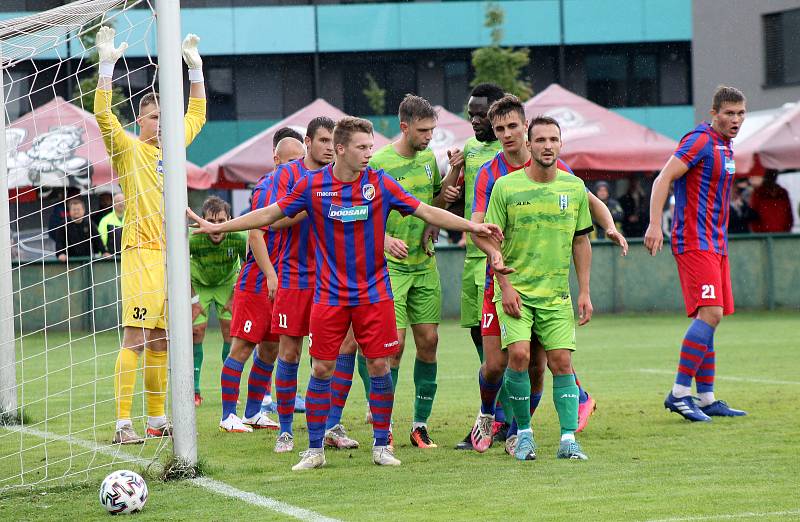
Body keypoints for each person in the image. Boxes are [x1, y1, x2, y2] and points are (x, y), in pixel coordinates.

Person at [187, 116, 504, 470]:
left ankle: (382, 445)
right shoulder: (313, 185)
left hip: (374, 294)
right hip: (329, 297)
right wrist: (218, 225)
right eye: (362, 147)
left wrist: (473, 225)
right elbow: (268, 215)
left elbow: (426, 210)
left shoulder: (379, 183)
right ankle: (314, 449)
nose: (370, 153)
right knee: (321, 367)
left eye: (371, 146)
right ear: (340, 149)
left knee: (380, 364)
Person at [466, 96, 626, 456]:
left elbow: (585, 208)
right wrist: (496, 261)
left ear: (525, 129)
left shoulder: (561, 174)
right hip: (502, 282)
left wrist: (610, 226)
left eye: (513, 127)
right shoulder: (494, 178)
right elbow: (476, 228)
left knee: (540, 365)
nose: (507, 134)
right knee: (497, 364)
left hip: (552, 291)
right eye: (500, 129)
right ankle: (488, 413)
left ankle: (522, 432)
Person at [94, 26, 206, 444]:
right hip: (141, 249)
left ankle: (156, 419)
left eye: (166, 117)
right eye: (156, 116)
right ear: (141, 118)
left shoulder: (173, 148)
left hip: (171, 254)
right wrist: (106, 65)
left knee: (162, 339)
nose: (162, 124)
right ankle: (123, 424)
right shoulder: (128, 148)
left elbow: (197, 115)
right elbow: (103, 115)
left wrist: (196, 71)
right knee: (137, 336)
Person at [477, 115, 594, 461]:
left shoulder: (573, 188)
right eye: (540, 140)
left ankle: (569, 440)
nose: (547, 145)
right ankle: (523, 434)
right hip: (516, 292)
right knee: (518, 356)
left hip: (556, 294)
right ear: (529, 145)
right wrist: (504, 283)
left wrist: (584, 290)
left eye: (553, 139)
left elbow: (581, 241)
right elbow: (483, 235)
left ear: (561, 144)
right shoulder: (506, 187)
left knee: (559, 362)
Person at [644, 85, 748, 422]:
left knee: (710, 317)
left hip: (716, 243)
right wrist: (655, 224)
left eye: (740, 113)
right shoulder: (700, 140)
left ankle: (706, 397)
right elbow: (663, 179)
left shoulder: (726, 147)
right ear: (713, 114)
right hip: (694, 240)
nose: (736, 119)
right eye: (729, 113)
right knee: (711, 313)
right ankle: (679, 393)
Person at [367, 94, 445, 449]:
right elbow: (359, 214)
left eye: (432, 130)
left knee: (429, 342)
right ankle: (383, 423)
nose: (429, 137)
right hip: (391, 270)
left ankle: (419, 424)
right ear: (404, 127)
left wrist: (435, 224)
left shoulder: (429, 159)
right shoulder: (379, 162)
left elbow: (430, 207)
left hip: (424, 265)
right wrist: (383, 239)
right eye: (423, 130)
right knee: (392, 347)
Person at [216, 137, 306, 433]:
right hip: (258, 281)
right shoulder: (268, 186)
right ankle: (229, 415)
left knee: (270, 349)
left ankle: (253, 411)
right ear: (277, 159)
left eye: (300, 160)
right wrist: (269, 274)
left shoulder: (301, 188)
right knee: (241, 346)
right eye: (291, 160)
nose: (297, 166)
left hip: (283, 282)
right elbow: (255, 235)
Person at [265, 118, 340, 454]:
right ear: (308, 142)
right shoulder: (286, 175)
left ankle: (329, 426)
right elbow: (274, 222)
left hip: (332, 278)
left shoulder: (342, 175)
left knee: (329, 357)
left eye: (333, 141)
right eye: (323, 140)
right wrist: (310, 205)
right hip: (295, 278)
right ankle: (285, 431)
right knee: (290, 352)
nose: (329, 147)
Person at [441, 83, 506, 449]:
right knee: (478, 335)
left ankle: (499, 418)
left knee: (512, 344)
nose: (474, 119)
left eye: (481, 113)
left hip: (500, 257)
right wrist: (452, 189)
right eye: (470, 113)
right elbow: (459, 203)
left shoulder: (513, 148)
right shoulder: (469, 150)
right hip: (472, 256)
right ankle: (499, 410)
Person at [189, 196, 248, 407]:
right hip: (199, 285)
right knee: (196, 332)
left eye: (221, 220)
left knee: (230, 332)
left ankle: (230, 391)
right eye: (210, 221)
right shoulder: (192, 237)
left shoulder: (239, 237)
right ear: (201, 221)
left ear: (230, 219)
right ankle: (194, 392)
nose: (216, 227)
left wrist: (235, 295)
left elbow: (250, 265)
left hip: (227, 284)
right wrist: (194, 300)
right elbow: (176, 267)